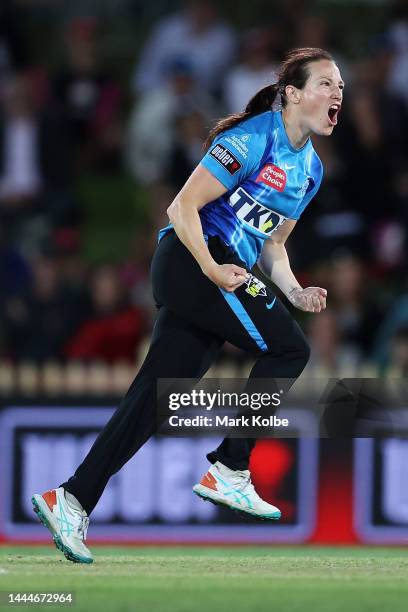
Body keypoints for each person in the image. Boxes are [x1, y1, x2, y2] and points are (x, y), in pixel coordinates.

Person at [32, 47, 344, 563]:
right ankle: (230, 467)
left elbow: (274, 245)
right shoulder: (251, 138)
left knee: (150, 401)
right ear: (291, 94)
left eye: (340, 87)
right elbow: (182, 207)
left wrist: (293, 291)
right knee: (290, 350)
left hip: (217, 271)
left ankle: (70, 498)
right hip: (192, 259)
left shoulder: (309, 171)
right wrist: (212, 269)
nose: (338, 95)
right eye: (326, 84)